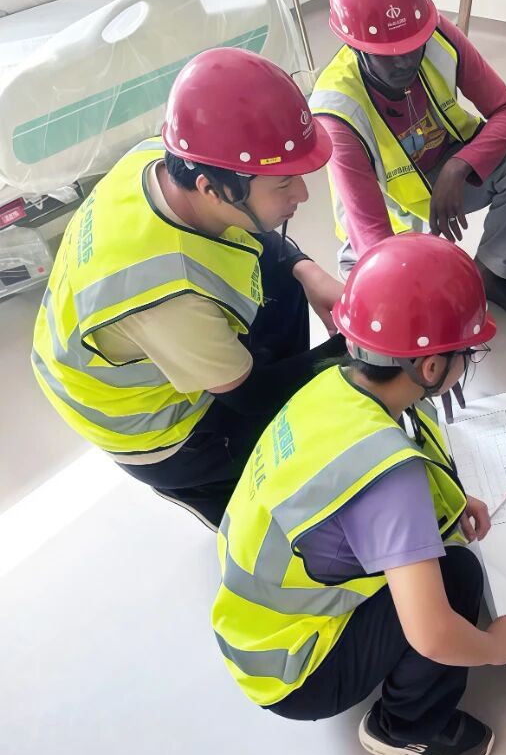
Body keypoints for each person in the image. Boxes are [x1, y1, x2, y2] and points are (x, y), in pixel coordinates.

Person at [212, 233, 506, 755]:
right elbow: (433, 635)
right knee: (458, 579)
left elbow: (378, 466)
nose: (469, 360)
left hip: (252, 626)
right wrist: (497, 647)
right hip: (293, 673)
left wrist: (451, 500)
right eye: (467, 353)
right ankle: (404, 728)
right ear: (431, 368)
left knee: (441, 566)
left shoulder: (336, 385)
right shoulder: (389, 478)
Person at [31, 48, 348, 528]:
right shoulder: (164, 293)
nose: (303, 194)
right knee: (284, 440)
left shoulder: (158, 158)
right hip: (156, 430)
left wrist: (309, 272)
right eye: (283, 184)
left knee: (283, 281)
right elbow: (251, 396)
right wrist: (352, 351)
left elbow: (255, 238)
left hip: (127, 344)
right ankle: (212, 486)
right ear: (211, 188)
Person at [311, 0, 506, 325]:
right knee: (396, 303)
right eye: (389, 54)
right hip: (386, 208)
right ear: (356, 47)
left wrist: (459, 167)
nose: (406, 61)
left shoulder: (435, 35)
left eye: (412, 46)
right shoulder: (336, 111)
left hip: (447, 171)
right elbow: (373, 236)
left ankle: (493, 274)